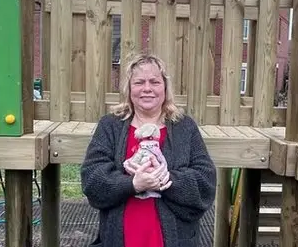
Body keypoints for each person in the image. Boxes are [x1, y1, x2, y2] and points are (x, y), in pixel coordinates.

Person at [81, 53, 216, 247]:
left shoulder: (185, 127)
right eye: (139, 83)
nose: (147, 89)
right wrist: (133, 183)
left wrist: (165, 179)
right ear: (129, 89)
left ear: (165, 88)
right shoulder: (110, 126)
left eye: (154, 82)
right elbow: (92, 179)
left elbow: (205, 183)